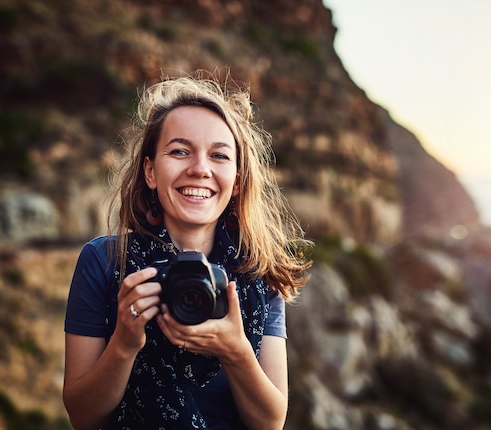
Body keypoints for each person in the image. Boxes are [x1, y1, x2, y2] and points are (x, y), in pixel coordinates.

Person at [63, 73, 312, 430]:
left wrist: (236, 352)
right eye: (179, 151)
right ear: (150, 171)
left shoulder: (258, 274)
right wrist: (124, 344)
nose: (199, 169)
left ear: (237, 181)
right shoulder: (104, 262)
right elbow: (83, 417)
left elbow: (271, 423)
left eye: (219, 155)